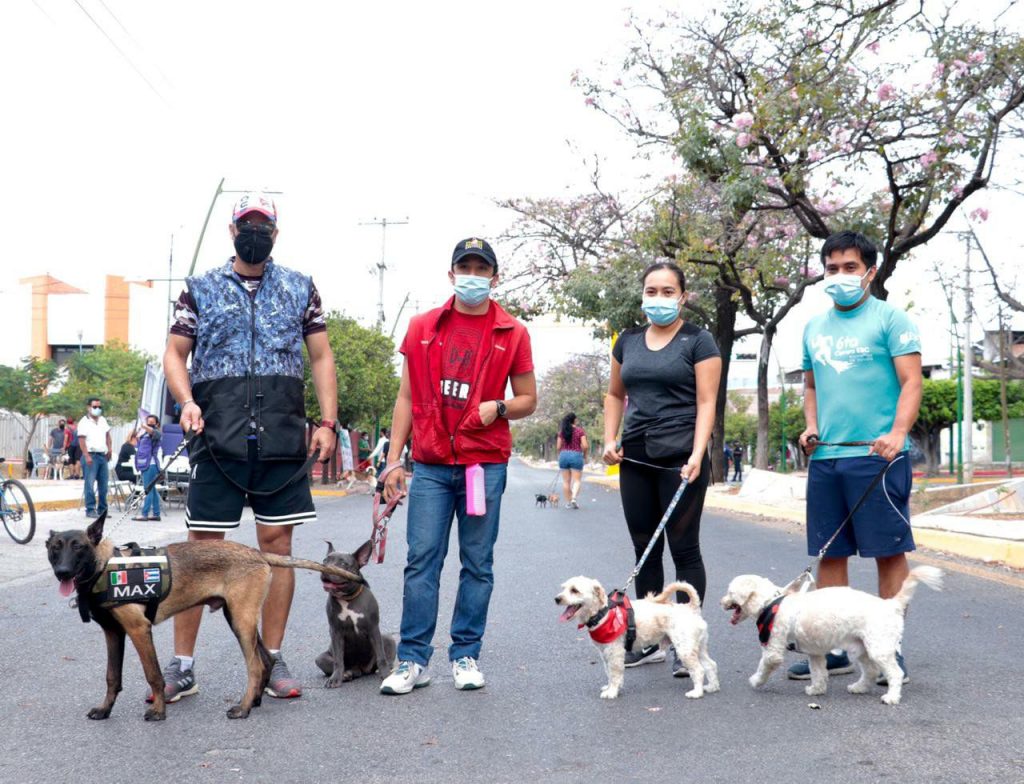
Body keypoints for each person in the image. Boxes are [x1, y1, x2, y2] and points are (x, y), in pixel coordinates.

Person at [159, 191, 338, 702]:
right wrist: (186, 400)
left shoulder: (301, 288)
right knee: (200, 554)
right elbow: (174, 352)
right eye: (246, 223)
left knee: (276, 551)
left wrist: (327, 420)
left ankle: (271, 659)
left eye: (263, 224)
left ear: (276, 233)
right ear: (232, 230)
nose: (254, 231)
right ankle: (182, 666)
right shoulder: (201, 288)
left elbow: (321, 356)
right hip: (216, 434)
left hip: (281, 435)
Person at [379, 237, 536, 695]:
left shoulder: (512, 332)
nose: (473, 275)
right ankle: (412, 660)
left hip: (480, 467)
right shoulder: (423, 326)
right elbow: (406, 397)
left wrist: (499, 409)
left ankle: (465, 654)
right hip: (429, 466)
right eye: (464, 267)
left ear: (494, 277)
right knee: (421, 561)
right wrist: (393, 463)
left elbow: (528, 399)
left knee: (477, 562)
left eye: (481, 268)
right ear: (451, 275)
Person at [787, 230, 922, 684]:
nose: (840, 276)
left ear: (870, 271)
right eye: (831, 268)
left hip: (879, 458)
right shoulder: (813, 327)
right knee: (831, 553)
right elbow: (810, 386)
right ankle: (836, 649)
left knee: (888, 552)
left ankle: (890, 648)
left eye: (850, 267)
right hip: (827, 458)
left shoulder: (891, 320)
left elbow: (911, 382)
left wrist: (897, 433)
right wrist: (811, 427)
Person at [602, 261, 722, 676]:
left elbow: (707, 402)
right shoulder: (628, 341)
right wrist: (609, 439)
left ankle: (685, 641)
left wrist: (697, 452)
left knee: (684, 548)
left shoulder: (699, 341)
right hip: (635, 456)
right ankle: (649, 639)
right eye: (651, 291)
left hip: (681, 457)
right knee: (645, 547)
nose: (658, 299)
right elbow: (615, 395)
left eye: (667, 292)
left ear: (682, 296)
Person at [77, 397, 112, 518]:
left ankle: (102, 510)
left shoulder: (102, 420)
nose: (97, 409)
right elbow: (81, 440)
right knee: (90, 484)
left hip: (102, 455)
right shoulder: (84, 422)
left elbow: (107, 435)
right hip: (91, 455)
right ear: (88, 407)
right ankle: (90, 509)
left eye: (99, 407)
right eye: (95, 407)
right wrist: (86, 455)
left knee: (103, 485)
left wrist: (110, 448)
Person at [133, 414, 163, 521]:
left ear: (157, 424)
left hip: (151, 464)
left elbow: (155, 433)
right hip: (144, 464)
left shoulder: (156, 433)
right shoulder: (144, 433)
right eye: (148, 422)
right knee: (152, 489)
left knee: (148, 489)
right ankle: (156, 513)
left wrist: (145, 426)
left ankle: (144, 514)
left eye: (152, 423)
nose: (149, 424)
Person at [556, 412, 588, 509]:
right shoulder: (580, 431)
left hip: (564, 455)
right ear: (574, 420)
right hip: (576, 455)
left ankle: (569, 502)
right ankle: (573, 498)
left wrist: (560, 455)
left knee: (566, 482)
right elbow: (585, 446)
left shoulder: (562, 432)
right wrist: (585, 455)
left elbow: (558, 447)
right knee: (577, 480)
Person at [64, 415, 81, 479]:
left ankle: (71, 475)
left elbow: (66, 439)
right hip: (79, 446)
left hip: (70, 446)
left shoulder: (67, 429)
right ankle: (77, 474)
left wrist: (64, 447)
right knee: (78, 460)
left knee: (70, 460)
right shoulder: (78, 428)